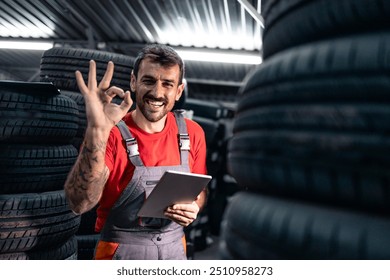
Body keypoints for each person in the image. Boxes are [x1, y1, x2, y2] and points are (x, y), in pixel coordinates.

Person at [64, 44, 208, 260]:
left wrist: (194, 206)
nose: (157, 93)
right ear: (133, 81)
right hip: (121, 252)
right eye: (148, 81)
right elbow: (80, 203)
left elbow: (200, 191)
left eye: (167, 84)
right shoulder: (111, 132)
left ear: (178, 91)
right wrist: (97, 131)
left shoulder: (192, 133)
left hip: (176, 250)